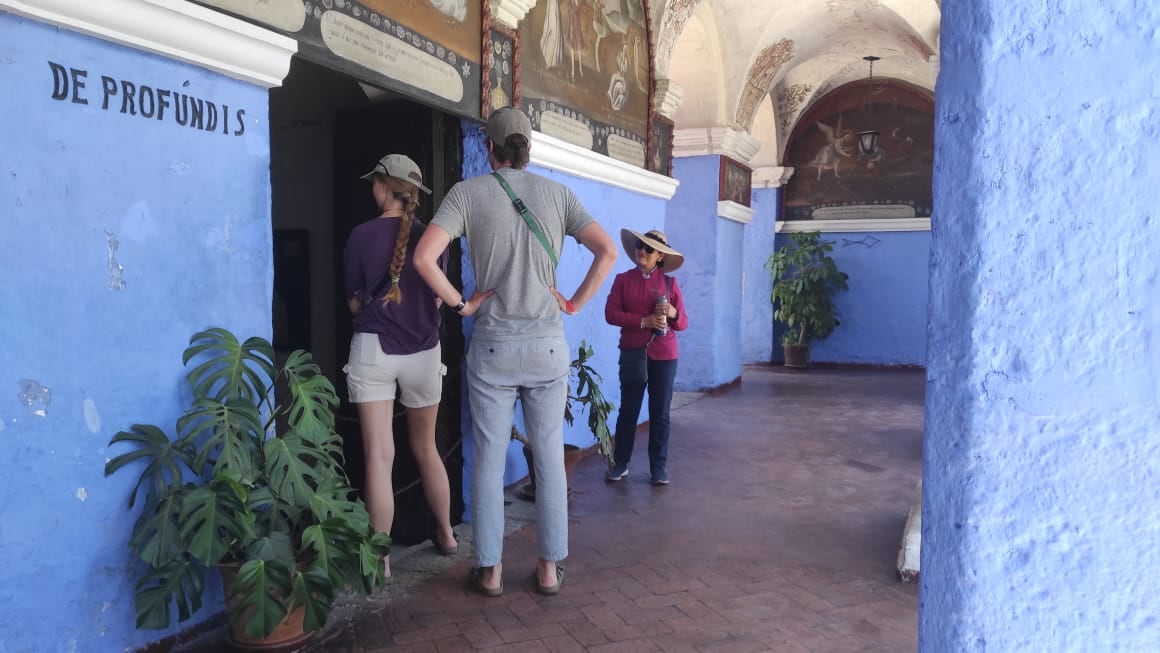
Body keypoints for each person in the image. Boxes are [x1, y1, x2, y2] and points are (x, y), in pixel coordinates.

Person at [413, 107, 617, 597]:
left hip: (493, 346)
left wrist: (462, 303)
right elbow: (607, 251)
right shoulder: (559, 195)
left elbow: (423, 258)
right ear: (528, 149)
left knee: (488, 458)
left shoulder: (467, 194)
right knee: (548, 454)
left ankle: (490, 570)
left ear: (490, 148)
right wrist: (573, 302)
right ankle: (548, 569)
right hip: (547, 345)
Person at [342, 153, 458, 578]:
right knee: (426, 449)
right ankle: (446, 534)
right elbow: (437, 298)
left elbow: (353, 303)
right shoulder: (434, 238)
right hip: (424, 352)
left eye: (373, 183)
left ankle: (382, 560)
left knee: (379, 456)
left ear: (382, 186)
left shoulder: (360, 236)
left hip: (374, 350)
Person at [603, 229, 688, 486]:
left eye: (649, 248)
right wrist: (643, 321)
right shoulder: (623, 280)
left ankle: (658, 467)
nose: (642, 251)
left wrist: (672, 313)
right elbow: (611, 314)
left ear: (660, 256)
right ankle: (620, 463)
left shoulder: (670, 284)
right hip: (633, 353)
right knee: (628, 409)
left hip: (664, 355)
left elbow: (683, 323)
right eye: (640, 245)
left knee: (660, 412)